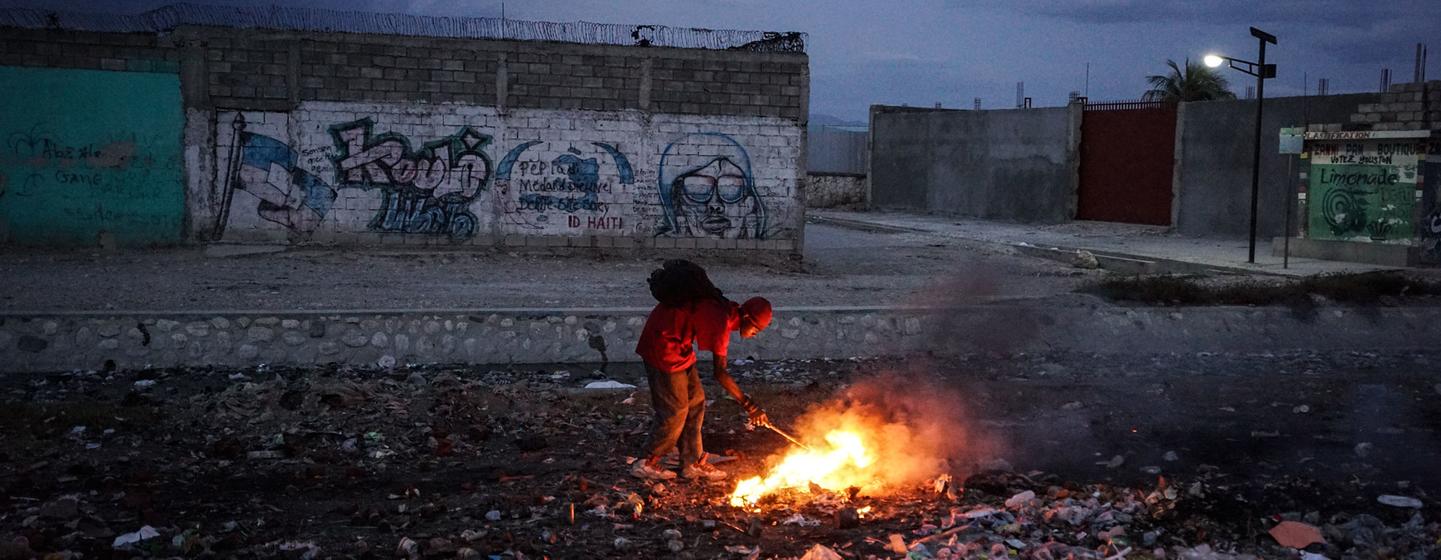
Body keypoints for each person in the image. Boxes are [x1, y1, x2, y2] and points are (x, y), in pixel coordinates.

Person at [632, 260, 773, 481]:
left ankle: (691, 462)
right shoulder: (720, 320)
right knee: (675, 410)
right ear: (747, 318)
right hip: (662, 348)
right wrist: (750, 406)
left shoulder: (725, 310)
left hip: (679, 349)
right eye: (757, 328)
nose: (755, 333)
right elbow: (720, 373)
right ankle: (647, 461)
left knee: (696, 402)